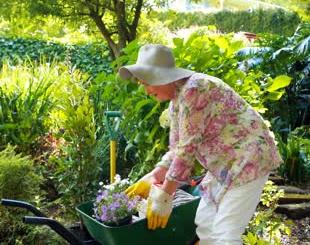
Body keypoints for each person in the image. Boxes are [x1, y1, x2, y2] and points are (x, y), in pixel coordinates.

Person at [120, 44, 281, 245]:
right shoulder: (176, 103)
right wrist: (153, 176)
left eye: (146, 84)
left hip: (248, 160)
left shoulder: (195, 89)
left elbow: (187, 150)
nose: (145, 91)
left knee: (225, 233)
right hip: (223, 166)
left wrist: (165, 194)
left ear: (160, 76)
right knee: (205, 223)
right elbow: (176, 150)